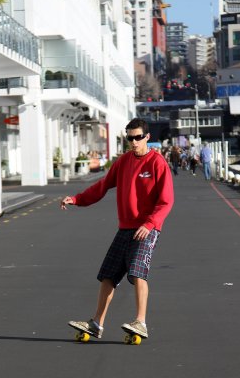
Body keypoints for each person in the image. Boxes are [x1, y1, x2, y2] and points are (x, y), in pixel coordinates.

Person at [60, 118, 174, 339]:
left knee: (137, 273)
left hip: (147, 229)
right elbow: (101, 187)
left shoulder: (157, 163)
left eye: (138, 137)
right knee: (108, 276)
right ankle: (96, 323)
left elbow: (166, 201)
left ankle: (141, 322)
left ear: (147, 137)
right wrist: (76, 199)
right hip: (125, 228)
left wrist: (150, 224)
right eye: (130, 138)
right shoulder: (122, 162)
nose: (133, 142)